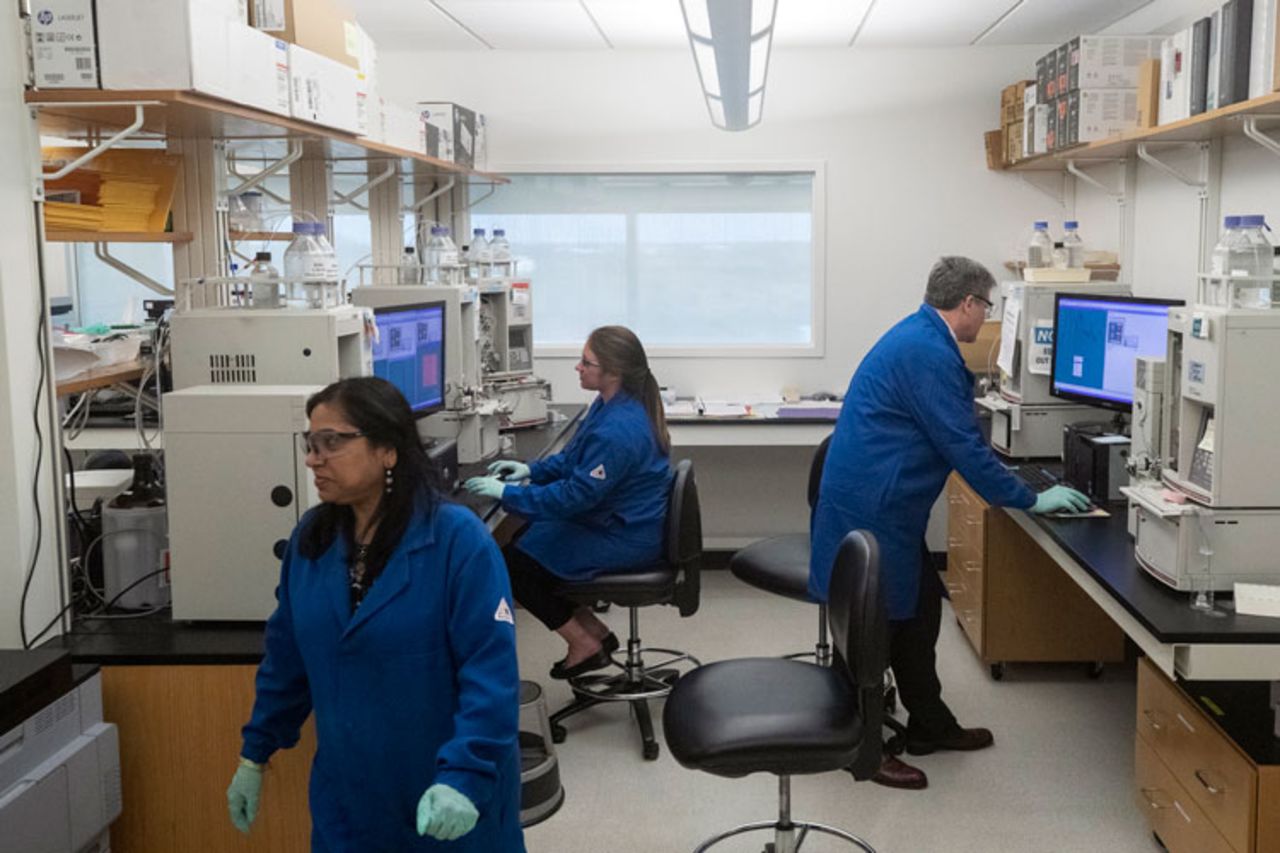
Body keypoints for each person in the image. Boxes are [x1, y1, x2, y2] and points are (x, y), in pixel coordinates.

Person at [809, 256, 1090, 791]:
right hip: (876, 509)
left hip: (880, 503)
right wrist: (1028, 498)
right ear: (967, 304)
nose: (985, 320)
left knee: (918, 615)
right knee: (874, 631)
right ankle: (861, 747)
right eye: (986, 308)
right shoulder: (926, 352)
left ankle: (930, 724)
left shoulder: (921, 337)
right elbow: (961, 444)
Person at [226, 377, 525, 852]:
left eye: (332, 443)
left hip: (444, 796)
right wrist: (254, 753)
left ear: (388, 451)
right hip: (350, 800)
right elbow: (287, 661)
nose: (312, 459)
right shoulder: (311, 542)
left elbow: (490, 675)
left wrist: (465, 775)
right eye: (310, 443)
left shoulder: (456, 542)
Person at [465, 325, 672, 680]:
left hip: (625, 536)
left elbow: (574, 497)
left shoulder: (618, 430)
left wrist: (507, 494)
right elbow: (575, 459)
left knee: (514, 566)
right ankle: (596, 634)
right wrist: (529, 469)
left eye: (586, 362)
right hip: (616, 520)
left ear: (613, 372)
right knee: (524, 543)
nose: (578, 367)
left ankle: (584, 643)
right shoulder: (610, 405)